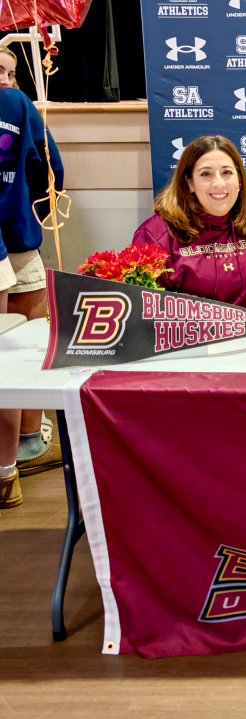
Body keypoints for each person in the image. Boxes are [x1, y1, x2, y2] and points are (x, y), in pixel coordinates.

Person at [0, 86, 65, 500]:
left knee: (20, 350)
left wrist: (31, 215)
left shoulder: (15, 103)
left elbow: (48, 167)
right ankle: (10, 465)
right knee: (11, 356)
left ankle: (24, 450)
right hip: (14, 236)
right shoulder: (14, 102)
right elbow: (49, 166)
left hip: (17, 239)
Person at [131, 135, 246, 308]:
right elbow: (143, 307)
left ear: (240, 180)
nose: (219, 183)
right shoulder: (155, 235)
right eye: (206, 174)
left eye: (227, 172)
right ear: (189, 182)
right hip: (187, 327)